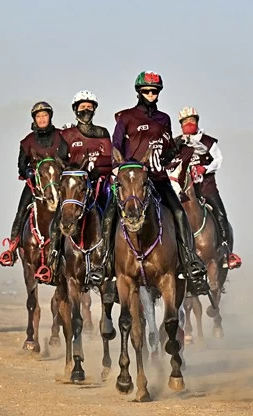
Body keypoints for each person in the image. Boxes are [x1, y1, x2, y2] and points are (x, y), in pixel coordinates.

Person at [101, 70, 209, 295]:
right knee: (110, 214)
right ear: (139, 92)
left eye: (155, 91)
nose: (151, 94)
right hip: (132, 181)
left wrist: (176, 150)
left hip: (158, 179)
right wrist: (122, 169)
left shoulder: (164, 119)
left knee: (180, 214)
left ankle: (189, 262)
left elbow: (167, 151)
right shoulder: (127, 118)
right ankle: (104, 265)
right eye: (147, 91)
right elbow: (116, 147)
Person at [45, 90, 113, 282]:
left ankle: (110, 260)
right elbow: (61, 160)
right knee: (59, 218)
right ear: (75, 109)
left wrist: (97, 168)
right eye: (82, 107)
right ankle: (55, 259)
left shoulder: (102, 132)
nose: (86, 110)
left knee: (112, 213)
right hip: (74, 186)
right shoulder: (66, 135)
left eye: (89, 107)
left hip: (98, 182)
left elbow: (109, 160)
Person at [0, 101, 69, 278]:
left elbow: (68, 157)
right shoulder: (27, 141)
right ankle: (12, 247)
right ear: (35, 119)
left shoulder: (62, 136)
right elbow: (21, 165)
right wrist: (29, 172)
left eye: (45, 115)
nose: (42, 119)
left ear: (50, 117)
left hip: (58, 182)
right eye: (39, 116)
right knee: (21, 210)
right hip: (37, 184)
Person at [173, 106, 242, 269]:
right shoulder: (177, 143)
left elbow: (218, 159)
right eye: (185, 121)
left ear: (197, 121)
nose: (189, 124)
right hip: (184, 190)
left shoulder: (208, 141)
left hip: (206, 187)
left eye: (192, 120)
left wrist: (206, 168)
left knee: (220, 214)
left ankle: (226, 252)